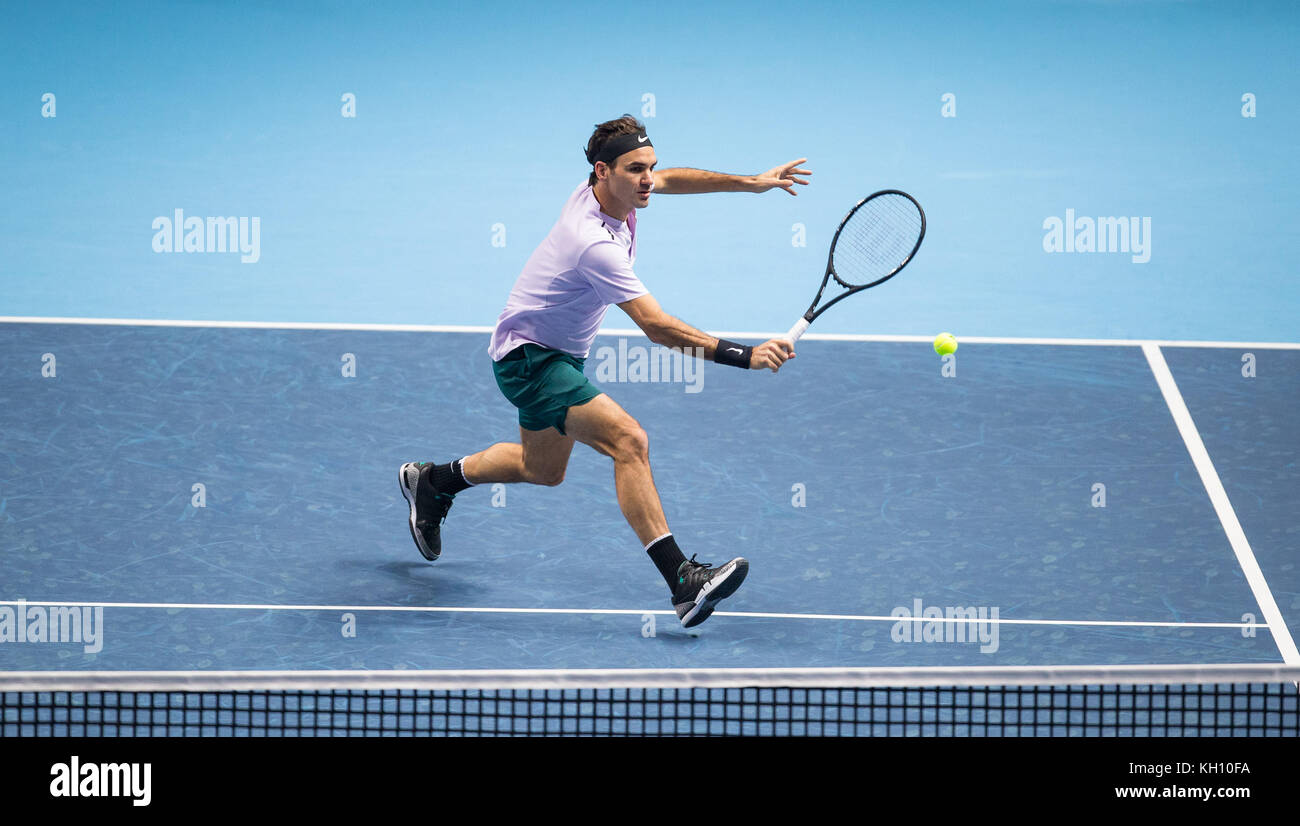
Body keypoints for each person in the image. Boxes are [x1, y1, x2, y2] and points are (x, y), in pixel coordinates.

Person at [400, 115, 809, 628]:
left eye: (649, 167)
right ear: (602, 171)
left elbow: (674, 179)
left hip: (555, 355)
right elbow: (657, 328)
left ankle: (433, 481)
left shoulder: (608, 190)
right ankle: (682, 580)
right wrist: (744, 355)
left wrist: (753, 182)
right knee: (628, 440)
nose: (648, 180)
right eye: (636, 170)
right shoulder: (593, 243)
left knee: (540, 469)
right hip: (531, 360)